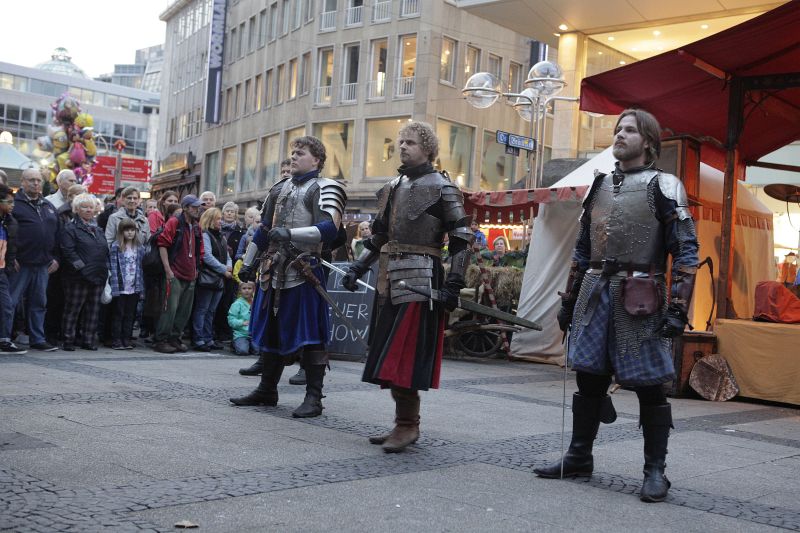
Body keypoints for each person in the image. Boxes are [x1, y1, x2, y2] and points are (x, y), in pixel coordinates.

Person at [534, 109, 699, 504]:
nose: (620, 135)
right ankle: (579, 456)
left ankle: (655, 470)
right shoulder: (600, 185)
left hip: (640, 293)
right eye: (618, 129)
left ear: (649, 141)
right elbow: (582, 249)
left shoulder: (665, 185)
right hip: (594, 290)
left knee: (649, 385)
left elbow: (686, 250)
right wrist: (569, 299)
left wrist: (679, 306)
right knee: (589, 378)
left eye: (630, 130)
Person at [341, 121, 474, 452]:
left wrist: (454, 283)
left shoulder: (443, 187)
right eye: (401, 142)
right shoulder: (392, 187)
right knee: (388, 356)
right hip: (390, 279)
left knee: (404, 358)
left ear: (427, 148)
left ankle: (407, 426)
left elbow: (461, 239)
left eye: (410, 142)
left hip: (422, 280)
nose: (403, 147)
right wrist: (358, 266)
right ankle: (403, 422)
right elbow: (380, 236)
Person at [230, 136, 346, 418]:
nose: (293, 156)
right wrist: (248, 262)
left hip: (304, 271)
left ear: (316, 160)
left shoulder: (326, 187)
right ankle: (267, 389)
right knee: (271, 330)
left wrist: (290, 233)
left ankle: (314, 398)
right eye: (293, 152)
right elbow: (264, 228)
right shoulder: (279, 188)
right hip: (273, 271)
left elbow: (329, 228)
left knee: (311, 334)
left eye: (300, 153)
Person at [10, 168, 60, 352]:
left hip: (43, 264)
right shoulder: (14, 204)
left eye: (38, 180)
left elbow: (57, 235)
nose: (36, 183)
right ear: (22, 182)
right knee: (11, 302)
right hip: (20, 263)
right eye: (31, 180)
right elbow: (6, 232)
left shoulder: (48, 205)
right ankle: (4, 338)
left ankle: (37, 339)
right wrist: (11, 257)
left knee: (39, 303)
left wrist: (56, 258)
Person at [152, 194, 204, 354]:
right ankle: (161, 340)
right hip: (174, 273)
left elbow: (200, 251)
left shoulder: (196, 227)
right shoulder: (175, 222)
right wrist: (168, 270)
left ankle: (174, 338)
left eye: (198, 207)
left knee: (184, 311)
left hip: (190, 275)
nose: (198, 209)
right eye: (194, 207)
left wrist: (196, 270)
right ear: (186, 208)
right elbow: (162, 244)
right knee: (170, 309)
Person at [59, 193, 109, 351]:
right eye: (84, 207)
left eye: (91, 207)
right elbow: (68, 252)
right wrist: (82, 269)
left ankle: (88, 339)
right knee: (73, 309)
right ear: (76, 209)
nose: (88, 210)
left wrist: (104, 269)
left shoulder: (98, 229)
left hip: (98, 275)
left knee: (93, 310)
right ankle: (68, 339)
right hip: (77, 277)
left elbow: (104, 251)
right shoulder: (70, 228)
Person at [192, 207, 232, 351]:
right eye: (218, 219)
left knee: (211, 311)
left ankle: (208, 338)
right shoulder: (205, 235)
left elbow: (227, 255)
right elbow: (206, 256)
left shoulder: (221, 236)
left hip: (219, 279)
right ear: (210, 220)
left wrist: (229, 267)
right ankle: (198, 339)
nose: (220, 221)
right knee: (202, 309)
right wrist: (224, 269)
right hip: (208, 278)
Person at [108, 219, 145, 349]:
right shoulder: (116, 246)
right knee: (118, 314)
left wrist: (141, 288)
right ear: (121, 232)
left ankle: (127, 339)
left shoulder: (139, 248)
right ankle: (116, 339)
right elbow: (113, 267)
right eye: (127, 230)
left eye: (132, 230)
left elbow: (141, 269)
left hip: (134, 286)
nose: (130, 233)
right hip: (120, 286)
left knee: (130, 314)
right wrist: (114, 288)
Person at [0, 183, 24, 354]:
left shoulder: (10, 221)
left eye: (13, 202)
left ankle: (4, 341)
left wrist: (10, 262)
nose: (12, 205)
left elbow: (11, 246)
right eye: (8, 202)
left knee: (6, 305)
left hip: (2, 270)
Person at [228, 281, 255, 355]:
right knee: (243, 351)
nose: (247, 290)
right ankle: (234, 343)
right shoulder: (236, 304)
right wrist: (242, 323)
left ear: (253, 290)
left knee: (259, 351)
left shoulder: (256, 302)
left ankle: (250, 346)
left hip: (254, 334)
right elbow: (231, 320)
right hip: (241, 334)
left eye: (249, 288)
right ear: (240, 291)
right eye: (244, 288)